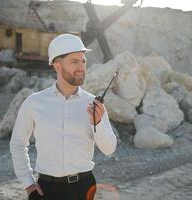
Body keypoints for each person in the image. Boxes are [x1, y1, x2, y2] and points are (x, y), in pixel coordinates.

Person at [10, 33, 117, 200]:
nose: (81, 67)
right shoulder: (34, 103)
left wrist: (98, 123)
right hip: (46, 190)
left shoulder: (94, 104)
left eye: (83, 61)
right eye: (74, 62)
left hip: (84, 188)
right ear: (57, 66)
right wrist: (28, 183)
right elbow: (17, 143)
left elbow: (109, 149)